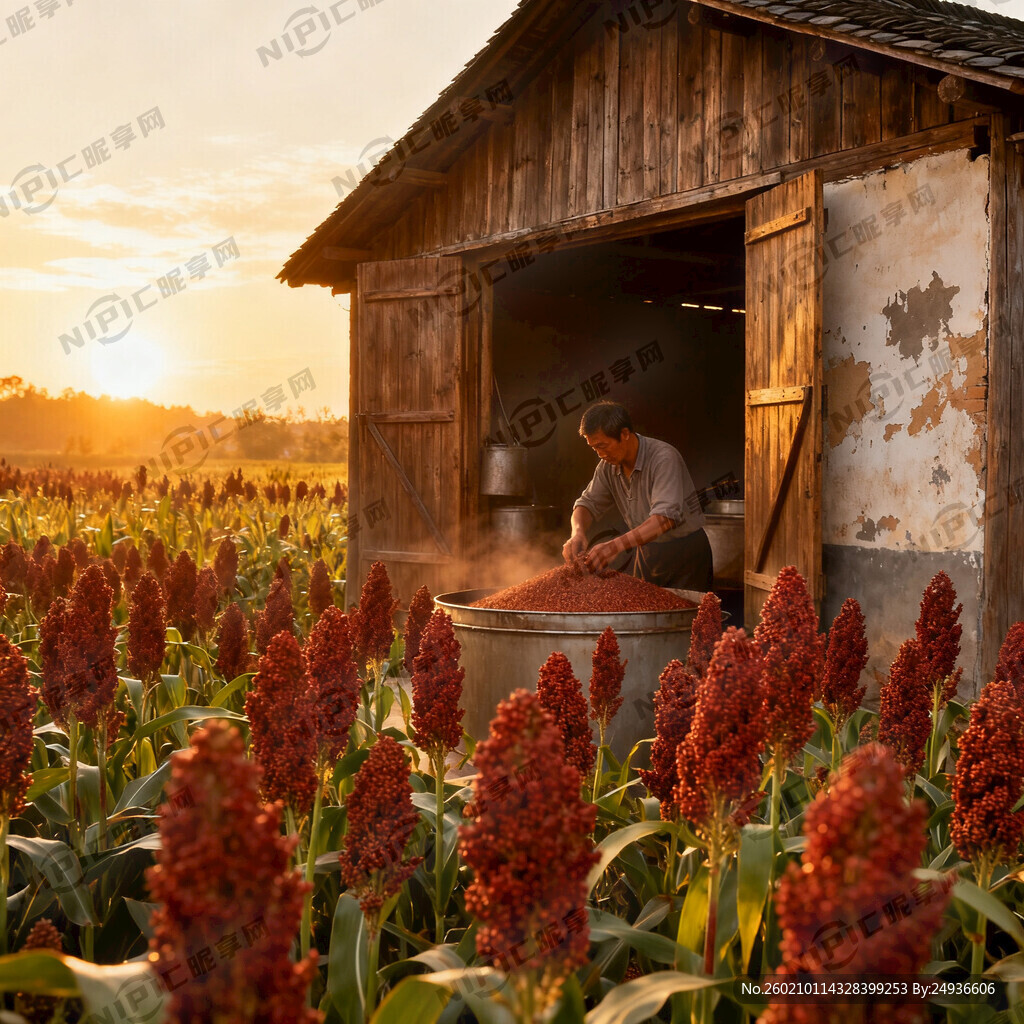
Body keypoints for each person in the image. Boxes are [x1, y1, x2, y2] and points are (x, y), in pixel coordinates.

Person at [562, 401, 713, 591]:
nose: (600, 454)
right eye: (594, 448)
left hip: (685, 556)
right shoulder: (607, 465)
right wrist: (577, 533)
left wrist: (614, 546)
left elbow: (665, 520)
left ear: (624, 434)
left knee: (689, 618)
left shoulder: (664, 458)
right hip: (647, 554)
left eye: (603, 446)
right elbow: (586, 504)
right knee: (646, 617)